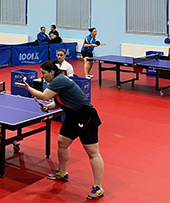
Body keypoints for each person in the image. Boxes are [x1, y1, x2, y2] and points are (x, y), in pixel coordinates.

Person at [17, 61, 105, 200]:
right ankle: (62, 172)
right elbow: (59, 101)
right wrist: (48, 107)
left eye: (44, 73)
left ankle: (98, 187)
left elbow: (45, 96)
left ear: (52, 72)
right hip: (72, 115)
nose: (42, 76)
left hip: (86, 115)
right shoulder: (57, 80)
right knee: (62, 142)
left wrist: (28, 88)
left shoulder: (59, 80)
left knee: (93, 152)